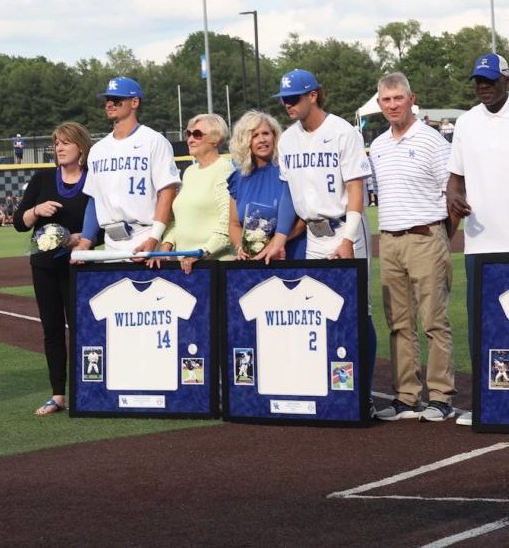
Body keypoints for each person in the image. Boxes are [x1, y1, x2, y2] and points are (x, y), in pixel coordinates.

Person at [258, 69, 378, 414]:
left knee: (357, 311)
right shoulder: (289, 140)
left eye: (293, 98)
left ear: (314, 95)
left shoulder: (343, 132)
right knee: (317, 310)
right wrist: (280, 237)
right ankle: (329, 389)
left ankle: (363, 395)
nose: (286, 105)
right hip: (312, 234)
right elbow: (287, 194)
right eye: (283, 99)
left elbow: (357, 189)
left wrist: (348, 238)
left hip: (345, 229)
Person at [445, 53, 509, 426]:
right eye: (477, 80)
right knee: (483, 328)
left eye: (489, 79)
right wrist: (452, 197)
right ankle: (485, 401)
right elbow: (455, 178)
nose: (482, 86)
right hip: (479, 243)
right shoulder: (466, 123)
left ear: (508, 80)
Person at [369, 72, 456, 422]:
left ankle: (441, 396)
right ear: (379, 104)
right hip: (388, 239)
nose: (392, 105)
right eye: (386, 100)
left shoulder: (432, 140)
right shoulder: (377, 145)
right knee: (399, 324)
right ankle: (406, 396)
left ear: (411, 98)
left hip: (425, 235)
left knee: (434, 320)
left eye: (398, 98)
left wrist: (441, 236)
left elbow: (453, 194)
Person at [14, 122, 94, 415]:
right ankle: (58, 395)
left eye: (65, 143)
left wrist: (81, 239)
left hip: (79, 266)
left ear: (81, 148)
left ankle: (87, 391)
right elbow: (18, 223)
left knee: (82, 329)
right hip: (44, 266)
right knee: (51, 331)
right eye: (56, 143)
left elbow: (101, 222)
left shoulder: (93, 180)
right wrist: (36, 211)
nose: (58, 148)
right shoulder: (42, 179)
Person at [72, 76, 180, 259]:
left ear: (134, 102)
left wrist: (154, 238)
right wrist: (85, 240)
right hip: (111, 240)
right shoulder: (98, 150)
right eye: (107, 100)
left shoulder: (154, 141)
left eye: (116, 100)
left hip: (144, 235)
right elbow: (94, 199)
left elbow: (167, 191)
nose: (109, 104)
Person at [157, 113, 234, 273]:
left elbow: (228, 223)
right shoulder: (189, 172)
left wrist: (202, 253)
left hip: (215, 265)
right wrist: (166, 245)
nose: (190, 139)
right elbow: (179, 220)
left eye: (197, 134)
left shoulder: (224, 169)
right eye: (188, 134)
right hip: (186, 265)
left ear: (215, 138)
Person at [227, 110, 306, 261]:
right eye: (254, 136)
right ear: (245, 141)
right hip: (254, 262)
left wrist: (276, 243)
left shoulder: (290, 170)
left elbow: (304, 220)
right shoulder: (238, 179)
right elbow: (234, 224)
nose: (262, 139)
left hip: (291, 256)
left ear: (275, 136)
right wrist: (240, 247)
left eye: (265, 133)